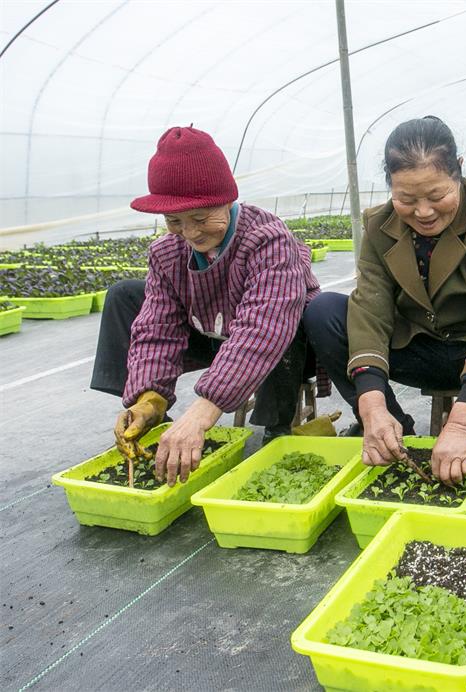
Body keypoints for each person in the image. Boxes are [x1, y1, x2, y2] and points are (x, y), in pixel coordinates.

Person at [304, 116, 466, 489]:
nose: (423, 212)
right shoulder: (379, 227)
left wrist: (463, 424)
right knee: (323, 311)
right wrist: (372, 405)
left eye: (437, 195)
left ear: (458, 172)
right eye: (406, 199)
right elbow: (370, 310)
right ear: (390, 187)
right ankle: (399, 438)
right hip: (420, 345)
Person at [91, 126, 321, 485]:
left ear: (227, 200)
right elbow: (157, 329)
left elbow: (263, 329)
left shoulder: (267, 239)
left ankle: (277, 431)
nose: (191, 233)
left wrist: (202, 412)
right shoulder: (167, 253)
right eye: (174, 222)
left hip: (291, 346)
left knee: (281, 328)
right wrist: (148, 400)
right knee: (125, 295)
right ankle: (158, 426)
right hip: (215, 334)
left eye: (201, 218)